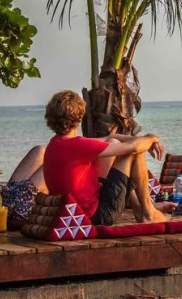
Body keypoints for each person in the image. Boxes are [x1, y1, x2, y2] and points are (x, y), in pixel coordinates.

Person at [40, 90, 163, 226]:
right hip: (96, 216)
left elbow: (110, 137)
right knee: (134, 152)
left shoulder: (56, 143)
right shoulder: (78, 145)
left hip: (72, 213)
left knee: (116, 143)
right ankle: (148, 212)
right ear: (79, 118)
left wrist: (142, 140)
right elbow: (134, 148)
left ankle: (140, 211)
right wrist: (151, 138)